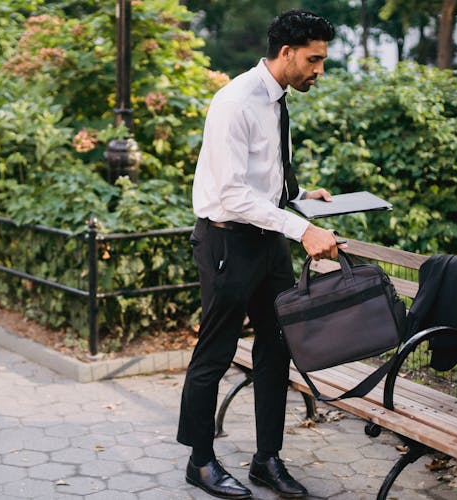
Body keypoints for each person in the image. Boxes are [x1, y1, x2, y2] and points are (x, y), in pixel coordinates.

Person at [177, 9, 339, 500]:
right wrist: (301, 228)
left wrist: (300, 195)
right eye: (313, 60)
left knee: (276, 350)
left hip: (267, 242)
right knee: (216, 352)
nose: (319, 71)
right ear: (286, 52)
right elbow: (230, 194)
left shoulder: (278, 98)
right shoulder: (235, 102)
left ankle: (267, 460)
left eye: (324, 61)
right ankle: (200, 462)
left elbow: (260, 178)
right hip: (228, 242)